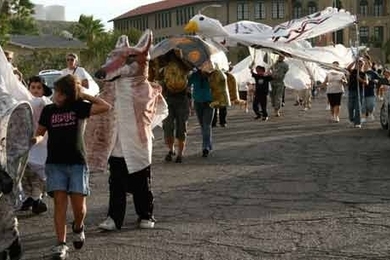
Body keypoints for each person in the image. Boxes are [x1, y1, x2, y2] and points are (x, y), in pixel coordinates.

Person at [32, 74, 111, 260]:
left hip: (77, 163)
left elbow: (106, 107)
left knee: (79, 207)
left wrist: (84, 95)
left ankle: (78, 226)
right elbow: (41, 133)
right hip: (55, 163)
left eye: (59, 94)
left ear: (67, 95)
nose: (55, 97)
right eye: (55, 93)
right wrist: (35, 139)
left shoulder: (78, 107)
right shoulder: (49, 110)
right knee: (59, 204)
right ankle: (60, 244)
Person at [20, 76, 52, 214]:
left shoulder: (44, 102)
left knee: (38, 172)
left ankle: (36, 198)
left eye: (39, 88)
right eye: (32, 87)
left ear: (43, 90)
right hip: (26, 141)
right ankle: (30, 198)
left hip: (41, 142)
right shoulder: (25, 101)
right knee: (25, 172)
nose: (35, 90)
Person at [161, 58, 191, 163]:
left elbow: (190, 78)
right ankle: (171, 150)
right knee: (168, 127)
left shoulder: (186, 65)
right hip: (168, 100)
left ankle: (180, 154)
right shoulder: (164, 66)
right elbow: (159, 82)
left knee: (181, 127)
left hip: (182, 100)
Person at [189, 69, 214, 157]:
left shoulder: (213, 74)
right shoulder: (194, 75)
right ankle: (208, 143)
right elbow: (187, 85)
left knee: (206, 125)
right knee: (203, 125)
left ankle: (205, 147)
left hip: (210, 103)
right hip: (198, 103)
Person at [346, 58, 368, 128]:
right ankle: (351, 120)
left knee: (358, 108)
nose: (360, 64)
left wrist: (360, 80)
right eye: (358, 62)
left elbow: (366, 82)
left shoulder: (364, 74)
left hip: (360, 92)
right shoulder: (353, 71)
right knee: (350, 107)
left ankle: (357, 122)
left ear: (363, 64)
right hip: (351, 91)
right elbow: (348, 68)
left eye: (361, 63)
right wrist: (355, 61)